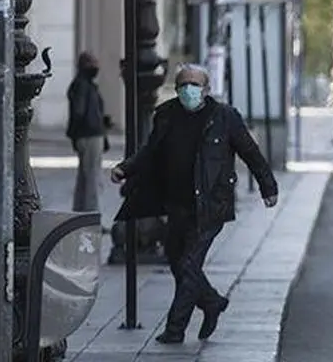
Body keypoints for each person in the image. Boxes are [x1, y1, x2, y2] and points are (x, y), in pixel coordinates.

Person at [109, 64, 279, 344]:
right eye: (183, 84)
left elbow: (250, 152)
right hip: (176, 204)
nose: (189, 89)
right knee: (178, 263)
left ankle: (175, 330)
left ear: (207, 89)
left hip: (212, 204)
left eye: (195, 84)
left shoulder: (224, 117)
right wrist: (125, 168)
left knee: (189, 264)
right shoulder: (166, 115)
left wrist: (267, 187)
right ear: (176, 90)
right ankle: (211, 303)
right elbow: (151, 151)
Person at [66, 51, 111, 214]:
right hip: (90, 135)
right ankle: (91, 214)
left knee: (85, 177)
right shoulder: (83, 86)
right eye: (92, 64)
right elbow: (80, 112)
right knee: (92, 177)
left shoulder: (83, 85)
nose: (96, 68)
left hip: (89, 134)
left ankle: (80, 211)